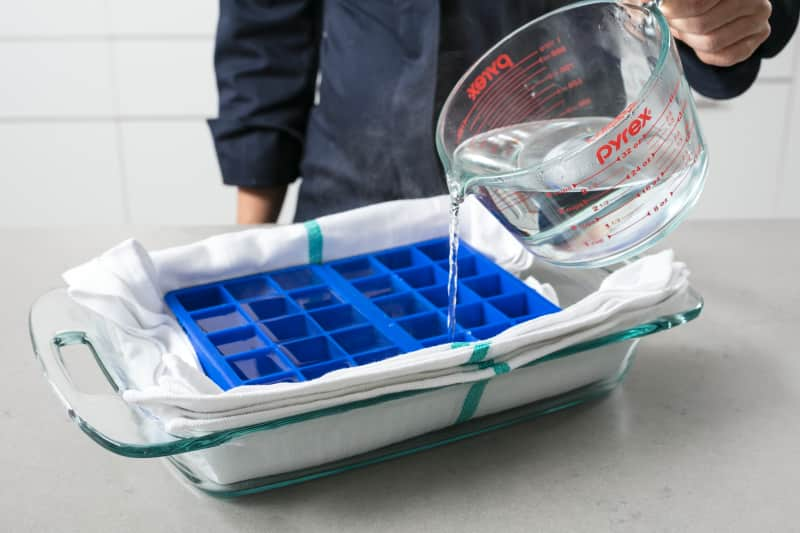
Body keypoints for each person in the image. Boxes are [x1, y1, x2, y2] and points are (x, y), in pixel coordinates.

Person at [209, 0, 798, 224]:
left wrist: (725, 16)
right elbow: (265, 32)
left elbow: (736, 18)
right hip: (355, 189)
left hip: (565, 187)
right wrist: (250, 249)